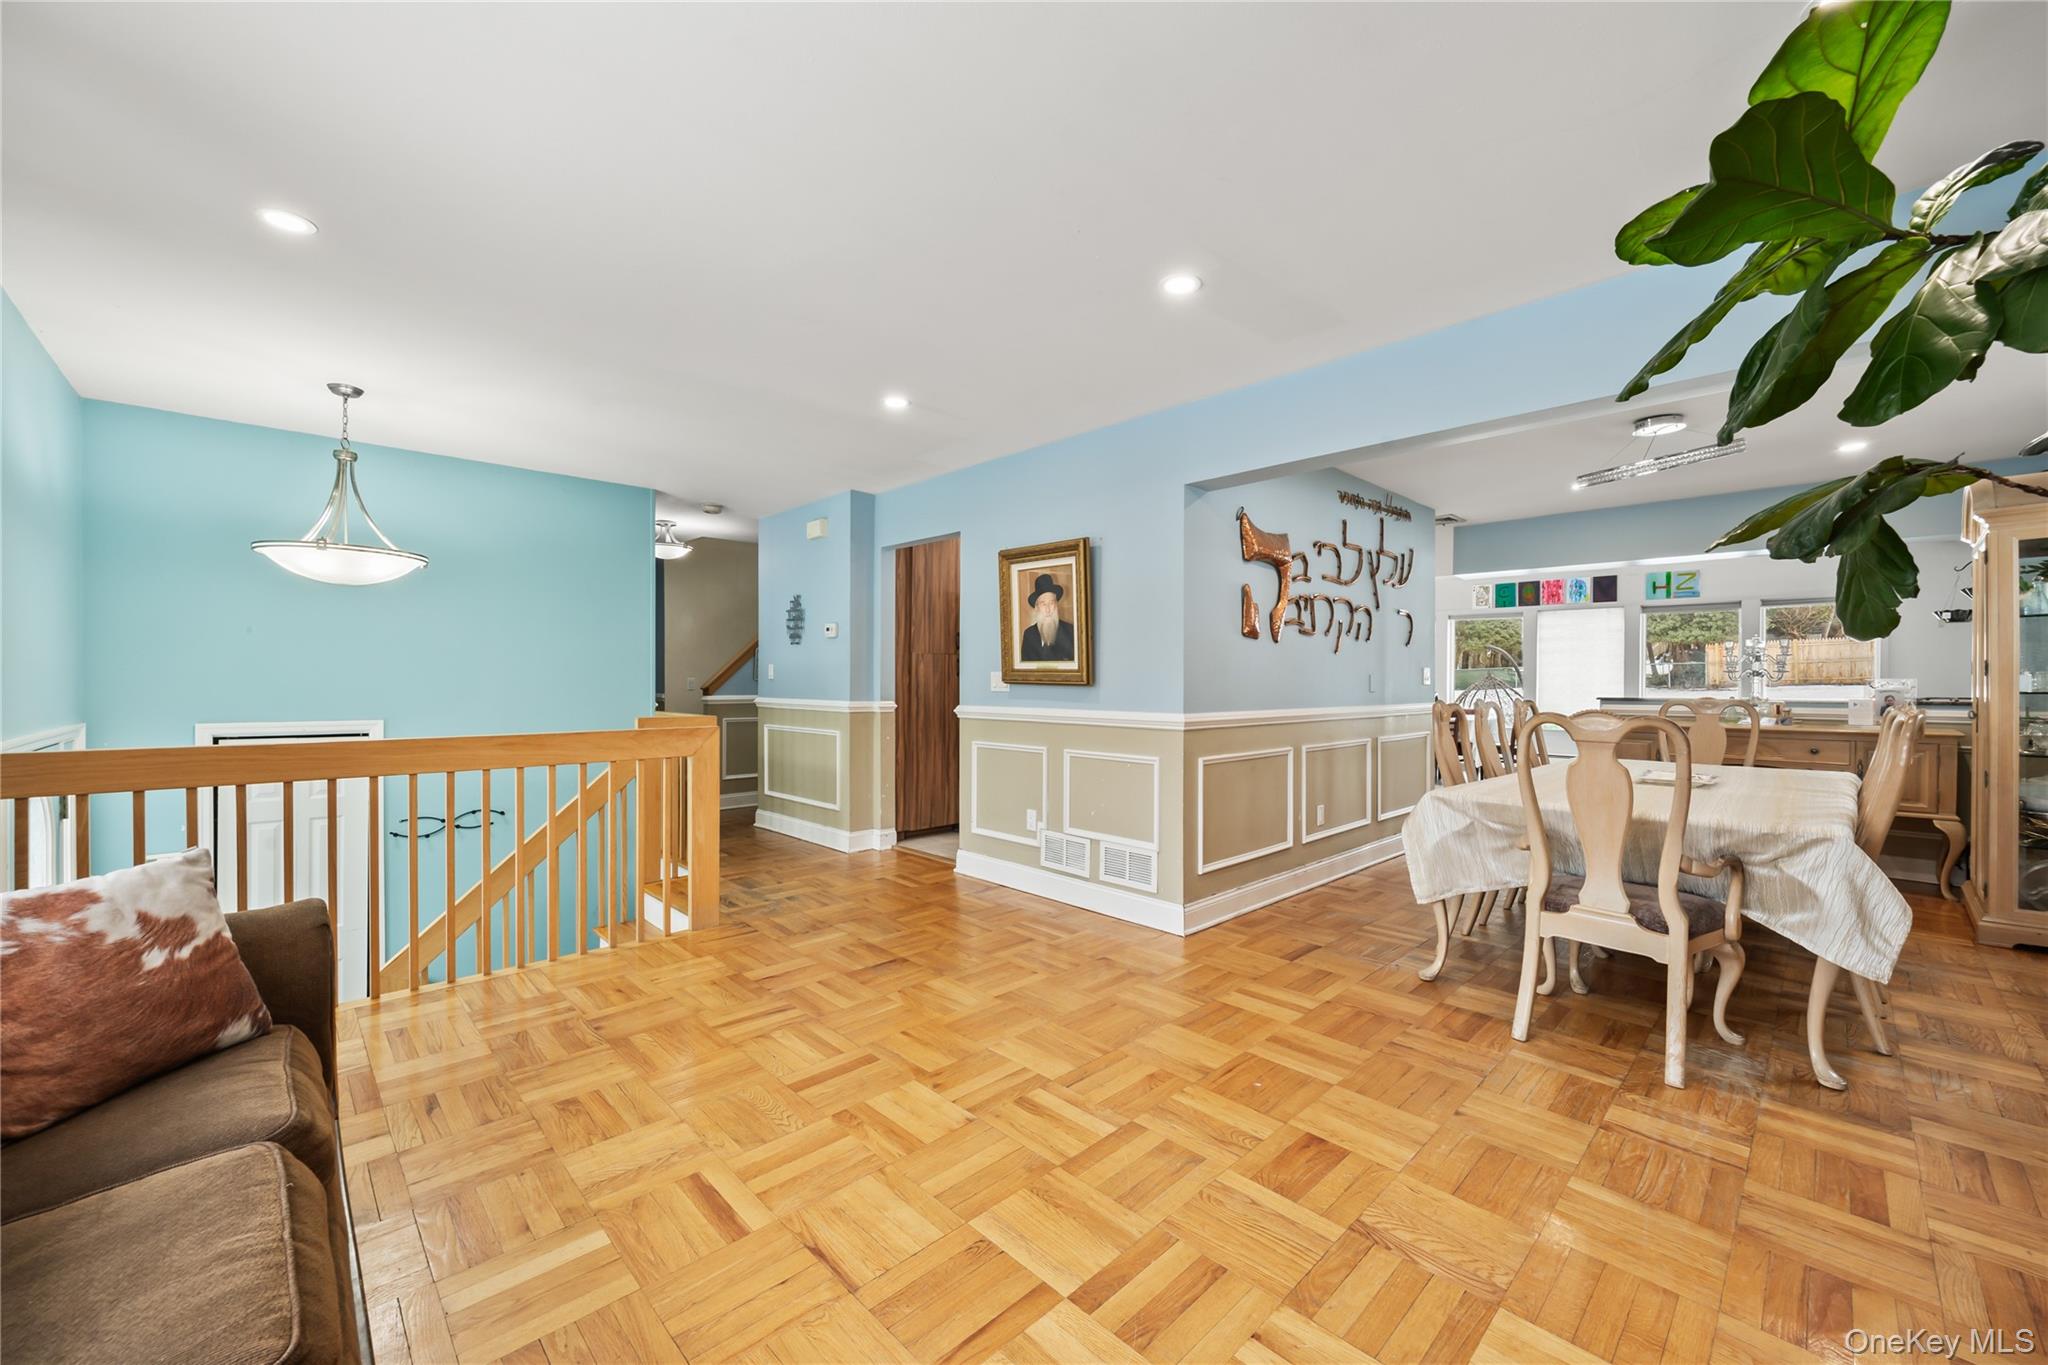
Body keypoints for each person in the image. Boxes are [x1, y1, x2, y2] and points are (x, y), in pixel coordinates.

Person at [1019, 572, 1075, 662]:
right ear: (1037, 608)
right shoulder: (1029, 635)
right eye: (1043, 604)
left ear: (1056, 605)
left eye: (1051, 603)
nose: (1048, 610)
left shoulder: (1070, 631)